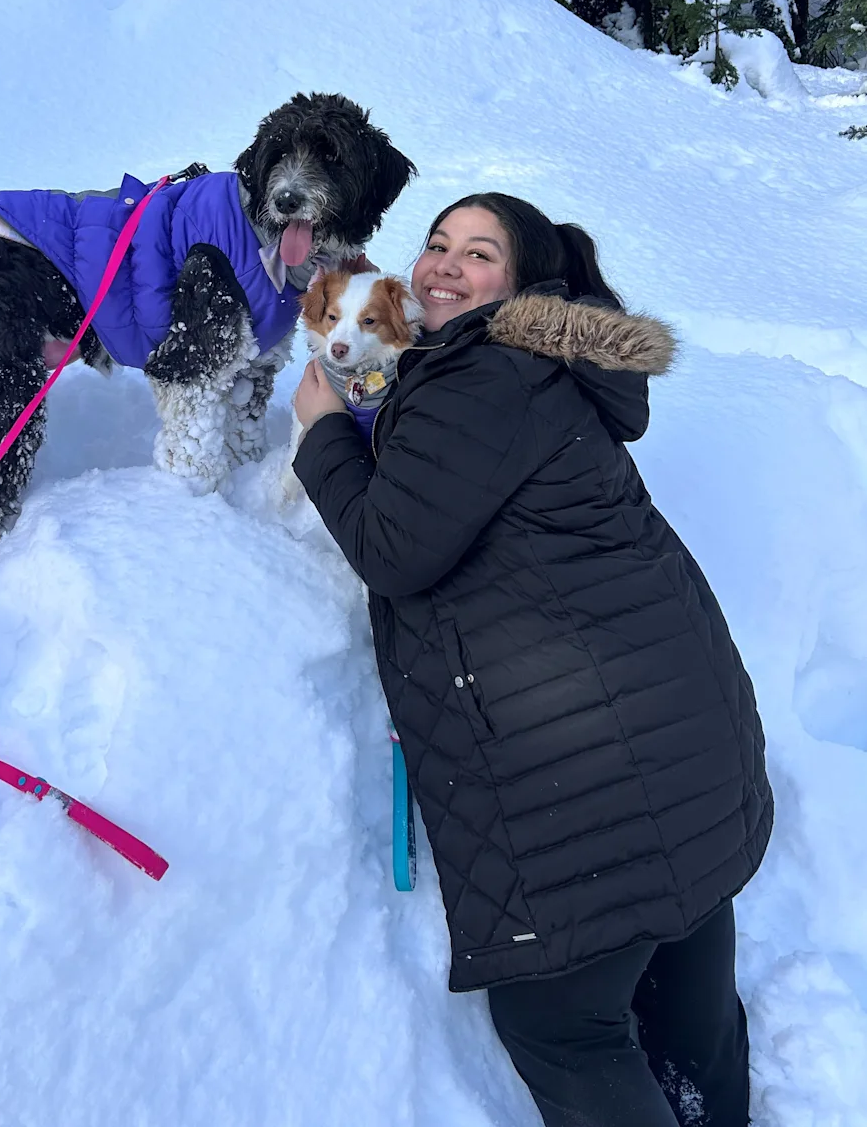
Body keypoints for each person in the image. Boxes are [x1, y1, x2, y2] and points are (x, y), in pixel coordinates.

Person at [292, 193, 772, 1127]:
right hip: (691, 740)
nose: (441, 266)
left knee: (559, 1019)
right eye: (436, 244)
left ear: (521, 285)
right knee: (688, 985)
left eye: (477, 255)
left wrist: (320, 434)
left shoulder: (480, 376)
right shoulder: (542, 365)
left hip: (594, 770)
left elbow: (392, 547)